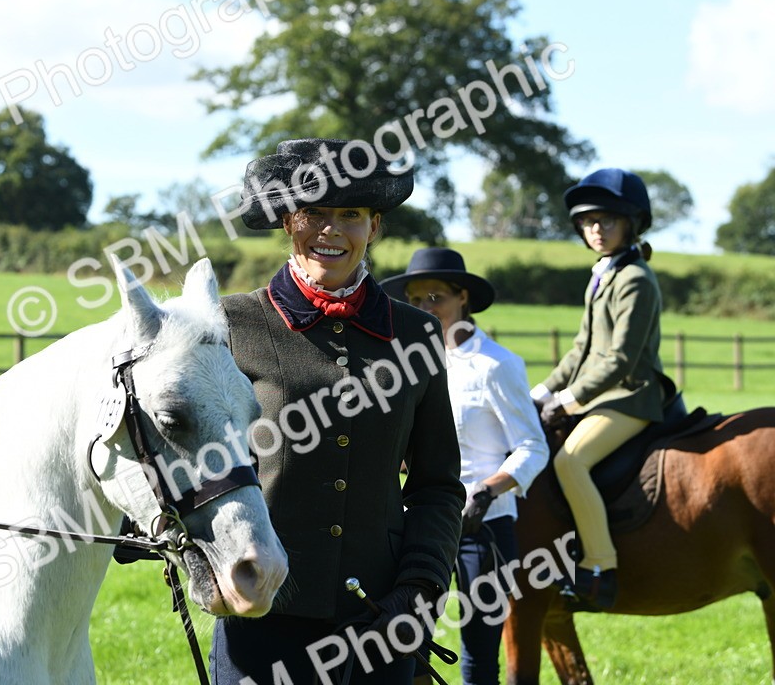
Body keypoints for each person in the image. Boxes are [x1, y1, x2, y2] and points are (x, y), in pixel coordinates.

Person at [211, 139, 465, 685]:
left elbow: (437, 485)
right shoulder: (231, 324)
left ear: (374, 227)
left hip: (380, 619)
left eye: (350, 214)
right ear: (287, 221)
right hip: (261, 612)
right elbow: (197, 463)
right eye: (313, 214)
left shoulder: (417, 332)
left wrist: (418, 589)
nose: (331, 230)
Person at [381, 247, 548, 685]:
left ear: (463, 299)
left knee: (478, 653)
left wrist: (489, 492)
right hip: (420, 523)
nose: (424, 309)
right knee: (408, 646)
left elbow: (533, 446)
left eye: (435, 297)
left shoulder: (498, 365)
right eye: (415, 300)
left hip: (484, 527)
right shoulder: (408, 366)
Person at [530, 168, 665, 611]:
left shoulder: (636, 280)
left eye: (607, 220)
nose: (596, 229)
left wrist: (569, 401)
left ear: (630, 224)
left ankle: (600, 566)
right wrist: (541, 392)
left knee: (570, 462)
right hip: (603, 392)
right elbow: (580, 351)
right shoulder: (603, 275)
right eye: (589, 222)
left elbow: (618, 360)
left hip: (631, 395)